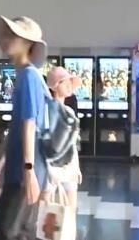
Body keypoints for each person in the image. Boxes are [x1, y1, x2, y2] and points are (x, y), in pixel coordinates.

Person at [0, 15, 50, 239]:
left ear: (27, 43)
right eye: (5, 35)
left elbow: (29, 125)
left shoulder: (29, 76)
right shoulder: (23, 75)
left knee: (7, 232)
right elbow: (14, 129)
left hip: (24, 173)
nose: (5, 40)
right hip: (19, 172)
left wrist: (29, 171)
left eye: (12, 36)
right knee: (20, 233)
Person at [46, 67, 83, 213]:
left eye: (70, 82)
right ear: (55, 86)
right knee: (49, 215)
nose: (69, 85)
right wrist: (49, 171)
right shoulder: (48, 110)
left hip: (69, 169)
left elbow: (73, 144)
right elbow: (43, 143)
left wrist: (76, 167)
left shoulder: (70, 111)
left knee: (70, 213)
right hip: (53, 171)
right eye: (64, 82)